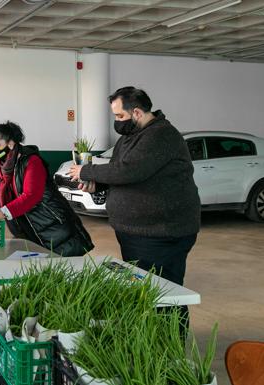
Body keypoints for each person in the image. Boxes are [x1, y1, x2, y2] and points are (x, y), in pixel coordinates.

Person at [67, 87, 200, 333]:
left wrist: (87, 171)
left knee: (165, 295)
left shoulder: (161, 135)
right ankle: (150, 340)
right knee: (144, 291)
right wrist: (98, 183)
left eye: (119, 116)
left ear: (136, 112)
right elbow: (120, 171)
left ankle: (169, 350)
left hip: (162, 233)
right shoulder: (130, 138)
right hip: (137, 232)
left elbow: (130, 170)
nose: (117, 122)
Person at [0, 121, 94, 257]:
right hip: (26, 230)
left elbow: (31, 196)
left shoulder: (31, 161)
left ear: (11, 143)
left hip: (53, 228)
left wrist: (2, 213)